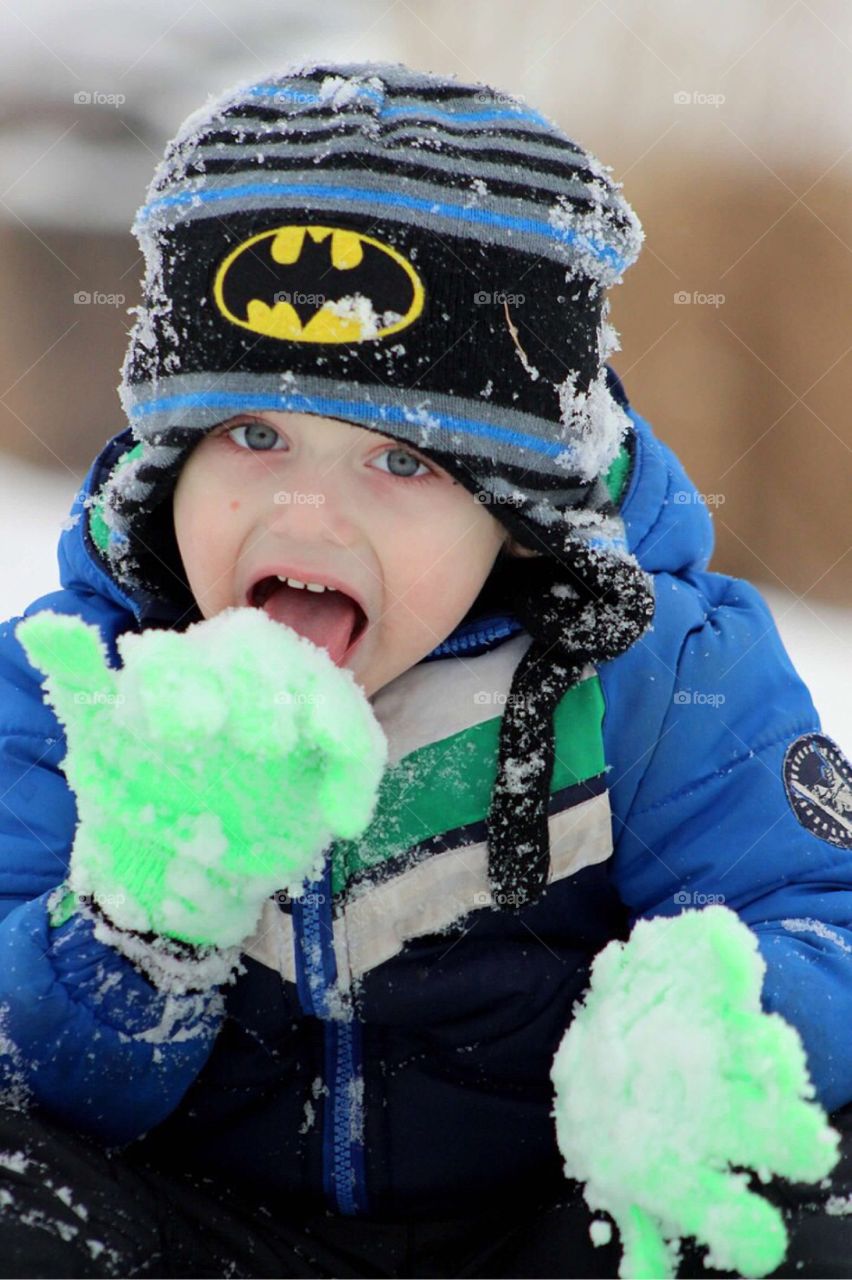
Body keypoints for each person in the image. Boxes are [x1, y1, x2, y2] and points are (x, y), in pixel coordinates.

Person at [0, 57, 849, 1280]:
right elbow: (31, 1061)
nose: (306, 508)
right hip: (196, 1237)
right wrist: (135, 926)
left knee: (796, 1196)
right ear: (165, 460)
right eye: (251, 433)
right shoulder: (82, 688)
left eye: (402, 463)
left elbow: (825, 911)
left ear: (517, 510)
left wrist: (731, 1023)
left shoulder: (651, 676)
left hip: (547, 1236)